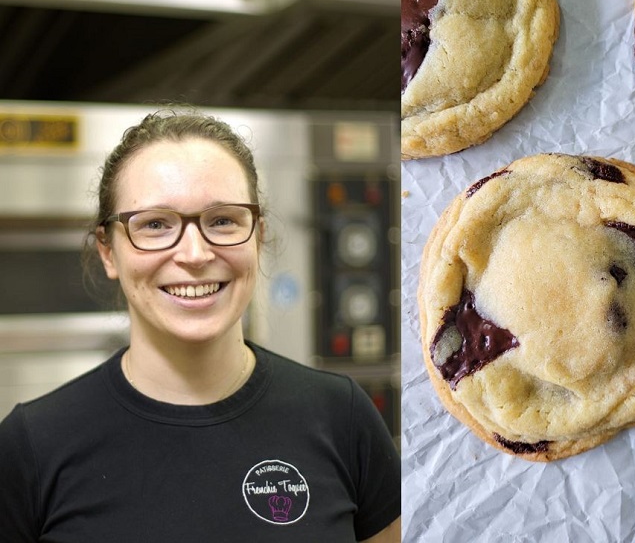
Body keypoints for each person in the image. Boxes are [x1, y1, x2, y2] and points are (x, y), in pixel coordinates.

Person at [0, 109, 401, 542]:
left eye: (222, 221)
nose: (194, 253)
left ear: (258, 236)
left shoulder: (342, 415)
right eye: (155, 224)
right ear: (108, 251)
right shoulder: (32, 445)